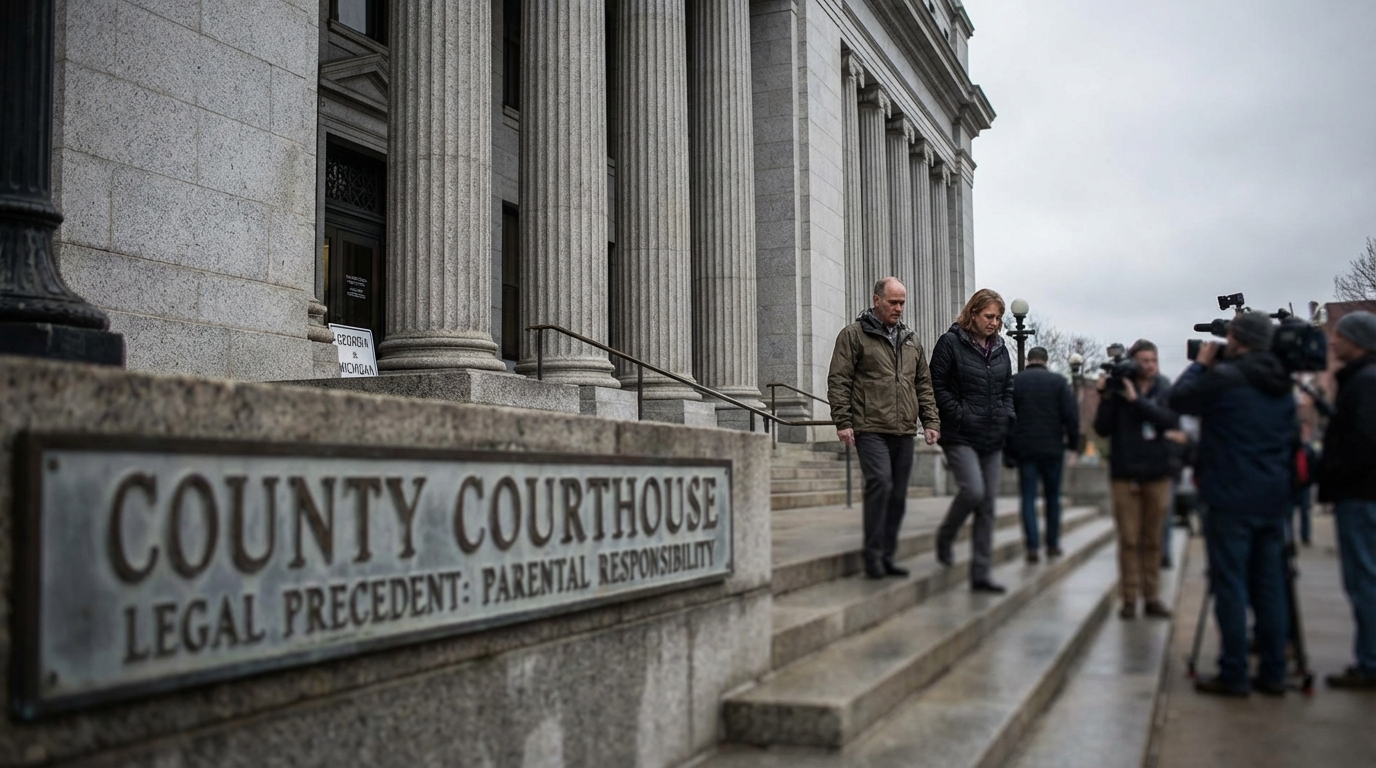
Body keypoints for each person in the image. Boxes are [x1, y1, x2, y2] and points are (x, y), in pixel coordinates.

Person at [1171, 312, 1295, 697]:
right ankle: (1274, 672)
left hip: (1230, 496)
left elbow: (1179, 399)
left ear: (1237, 340)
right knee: (1270, 587)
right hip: (1273, 497)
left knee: (1231, 585)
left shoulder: (1224, 378)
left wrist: (1201, 365)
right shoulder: (1281, 380)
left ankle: (1234, 672)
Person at [827, 277, 942, 579]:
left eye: (902, 302)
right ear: (876, 300)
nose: (898, 308)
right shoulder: (853, 335)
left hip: (904, 429)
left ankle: (887, 555)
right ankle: (873, 556)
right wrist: (843, 421)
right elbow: (839, 380)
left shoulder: (911, 340)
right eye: (893, 302)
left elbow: (923, 384)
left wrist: (930, 421)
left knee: (899, 495)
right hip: (870, 427)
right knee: (881, 484)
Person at [930, 289, 1015, 593]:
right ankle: (946, 534)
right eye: (989, 316)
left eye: (998, 318)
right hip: (960, 435)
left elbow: (1008, 389)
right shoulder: (950, 343)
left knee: (988, 506)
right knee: (973, 491)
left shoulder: (1002, 349)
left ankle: (980, 573)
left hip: (992, 436)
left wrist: (1007, 414)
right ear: (974, 313)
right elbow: (936, 387)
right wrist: (961, 415)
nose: (994, 322)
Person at [1094, 339, 1178, 619]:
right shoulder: (1118, 390)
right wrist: (1105, 396)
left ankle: (1152, 596)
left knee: (1153, 539)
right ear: (1132, 362)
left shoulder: (1164, 387)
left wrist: (1137, 401)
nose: (1149, 366)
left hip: (1157, 473)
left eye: (1153, 361)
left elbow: (1168, 420)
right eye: (1143, 361)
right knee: (1129, 540)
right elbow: (1102, 429)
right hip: (1125, 474)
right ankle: (1129, 598)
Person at [1316, 310, 1376, 690]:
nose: (1333, 342)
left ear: (1357, 341)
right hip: (1360, 493)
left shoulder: (1365, 382)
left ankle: (1370, 661)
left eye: (1339, 336)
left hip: (1361, 496)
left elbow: (1363, 445)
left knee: (1364, 580)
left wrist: (1331, 471)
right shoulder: (1362, 379)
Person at [1007, 346, 1080, 563]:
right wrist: (1074, 446)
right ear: (1046, 361)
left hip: (1026, 449)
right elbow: (1071, 417)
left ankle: (1032, 546)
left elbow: (1007, 418)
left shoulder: (1015, 382)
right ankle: (1053, 543)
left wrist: (1008, 451)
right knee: (1052, 497)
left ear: (1028, 360)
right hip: (1052, 448)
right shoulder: (1058, 382)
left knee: (1028, 497)